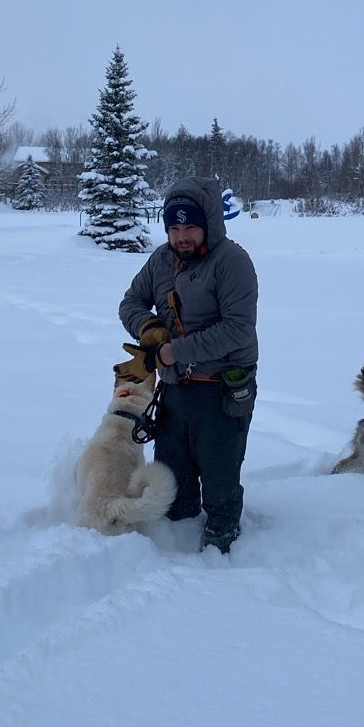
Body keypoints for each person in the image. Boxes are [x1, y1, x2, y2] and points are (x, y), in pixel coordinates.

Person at [119, 177, 258, 553]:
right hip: (175, 387)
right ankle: (174, 542)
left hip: (222, 386)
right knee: (173, 476)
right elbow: (130, 303)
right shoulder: (160, 260)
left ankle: (221, 547)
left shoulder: (232, 262)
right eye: (174, 228)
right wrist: (148, 328)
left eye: (190, 227)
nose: (181, 237)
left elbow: (238, 329)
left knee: (219, 477)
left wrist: (174, 351)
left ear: (208, 224)